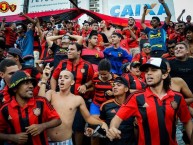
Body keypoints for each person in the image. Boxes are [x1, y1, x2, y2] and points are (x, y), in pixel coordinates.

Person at [107, 57, 192, 145]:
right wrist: (113, 128)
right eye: (147, 71)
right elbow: (117, 118)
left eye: (154, 70)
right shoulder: (136, 97)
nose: (148, 73)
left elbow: (187, 121)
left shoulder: (177, 97)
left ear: (164, 75)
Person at [38, 68, 108, 145]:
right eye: (60, 77)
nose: (62, 79)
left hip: (65, 142)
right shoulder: (51, 93)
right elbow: (40, 104)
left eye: (66, 77)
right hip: (46, 141)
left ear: (72, 82)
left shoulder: (77, 99)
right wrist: (44, 80)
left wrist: (101, 123)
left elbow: (88, 118)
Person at [0, 71, 61, 145]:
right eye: (26, 83)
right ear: (15, 89)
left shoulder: (41, 102)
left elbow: (58, 120)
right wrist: (12, 137)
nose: (31, 86)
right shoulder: (5, 109)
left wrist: (42, 126)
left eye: (31, 83)